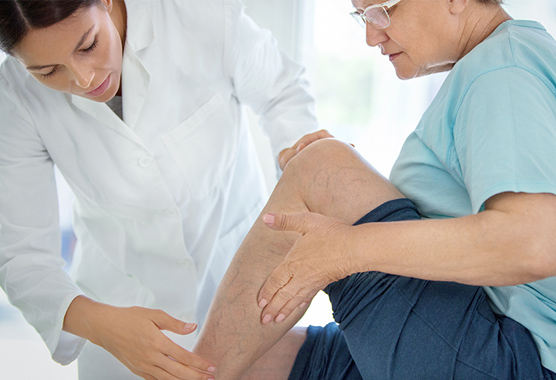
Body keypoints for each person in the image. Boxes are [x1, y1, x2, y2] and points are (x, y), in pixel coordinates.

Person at [192, 0, 556, 378]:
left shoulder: (501, 70)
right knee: (254, 363)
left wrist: (344, 248)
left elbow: (532, 242)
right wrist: (349, 191)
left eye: (383, 9)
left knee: (322, 166)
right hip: (488, 336)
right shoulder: (512, 59)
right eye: (362, 16)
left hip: (513, 356)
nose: (370, 36)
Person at [0, 0, 330, 379]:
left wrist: (295, 152)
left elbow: (282, 91)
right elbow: (22, 257)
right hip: (119, 314)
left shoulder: (196, 15)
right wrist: (102, 325)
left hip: (238, 285)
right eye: (48, 71)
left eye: (88, 45)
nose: (84, 79)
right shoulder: (15, 96)